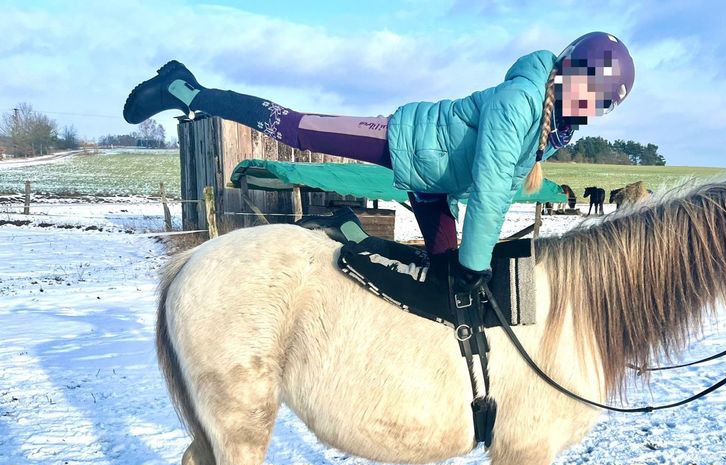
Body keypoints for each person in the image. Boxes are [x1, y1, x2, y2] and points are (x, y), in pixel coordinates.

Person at [124, 32, 634, 288]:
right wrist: (478, 264)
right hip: (401, 141)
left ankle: (348, 232)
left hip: (432, 185)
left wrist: (466, 265)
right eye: (594, 97)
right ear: (574, 77)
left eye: (603, 106)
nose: (593, 110)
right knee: (299, 127)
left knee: (443, 281)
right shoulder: (522, 101)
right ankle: (184, 88)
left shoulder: (553, 122)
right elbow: (494, 186)